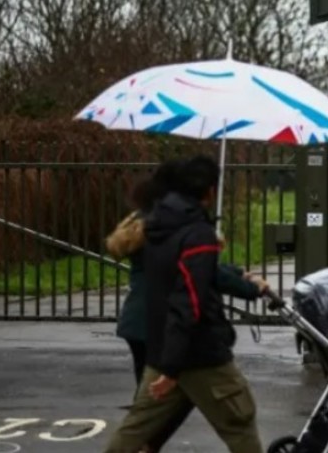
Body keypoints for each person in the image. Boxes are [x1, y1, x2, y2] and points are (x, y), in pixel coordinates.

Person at [104, 155, 270, 453]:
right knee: (239, 422)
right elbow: (190, 298)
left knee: (138, 427)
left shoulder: (156, 225)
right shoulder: (196, 233)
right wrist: (172, 365)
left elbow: (186, 277)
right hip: (198, 349)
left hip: (159, 342)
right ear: (209, 191)